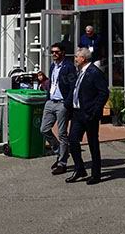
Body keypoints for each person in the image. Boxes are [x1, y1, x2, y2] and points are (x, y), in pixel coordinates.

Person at [65, 48, 109, 185]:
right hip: (77, 113)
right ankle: (80, 169)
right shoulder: (80, 72)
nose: (75, 59)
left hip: (89, 114)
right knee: (73, 141)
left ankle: (96, 174)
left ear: (83, 58)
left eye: (76, 57)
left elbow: (103, 93)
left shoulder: (94, 72)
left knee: (93, 144)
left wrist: (95, 110)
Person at [41, 43, 77, 175]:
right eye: (52, 52)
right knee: (44, 129)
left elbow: (73, 85)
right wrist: (47, 98)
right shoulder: (53, 66)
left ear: (63, 52)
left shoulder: (69, 66)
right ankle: (60, 152)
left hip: (62, 103)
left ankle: (62, 163)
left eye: (56, 52)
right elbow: (51, 83)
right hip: (51, 101)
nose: (54, 54)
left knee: (62, 133)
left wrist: (67, 103)